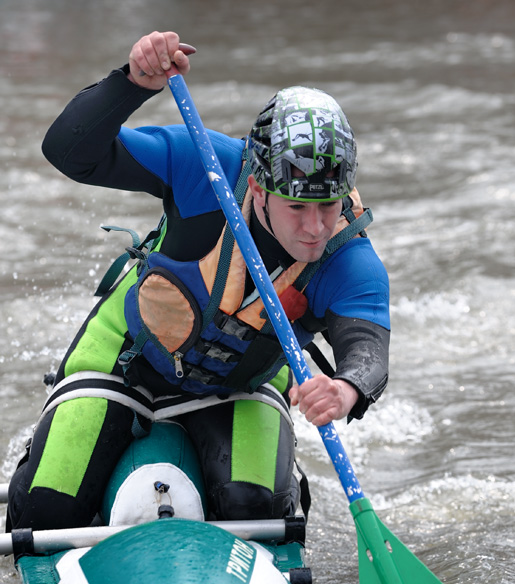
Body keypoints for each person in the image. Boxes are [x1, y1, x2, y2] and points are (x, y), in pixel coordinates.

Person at [6, 31, 390, 531]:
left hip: (240, 386)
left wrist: (345, 390)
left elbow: (368, 346)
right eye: (297, 207)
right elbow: (68, 152)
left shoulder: (350, 260)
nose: (316, 228)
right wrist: (133, 85)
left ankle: (278, 481)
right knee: (46, 508)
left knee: (253, 508)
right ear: (257, 186)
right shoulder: (203, 167)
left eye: (328, 206)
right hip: (125, 360)